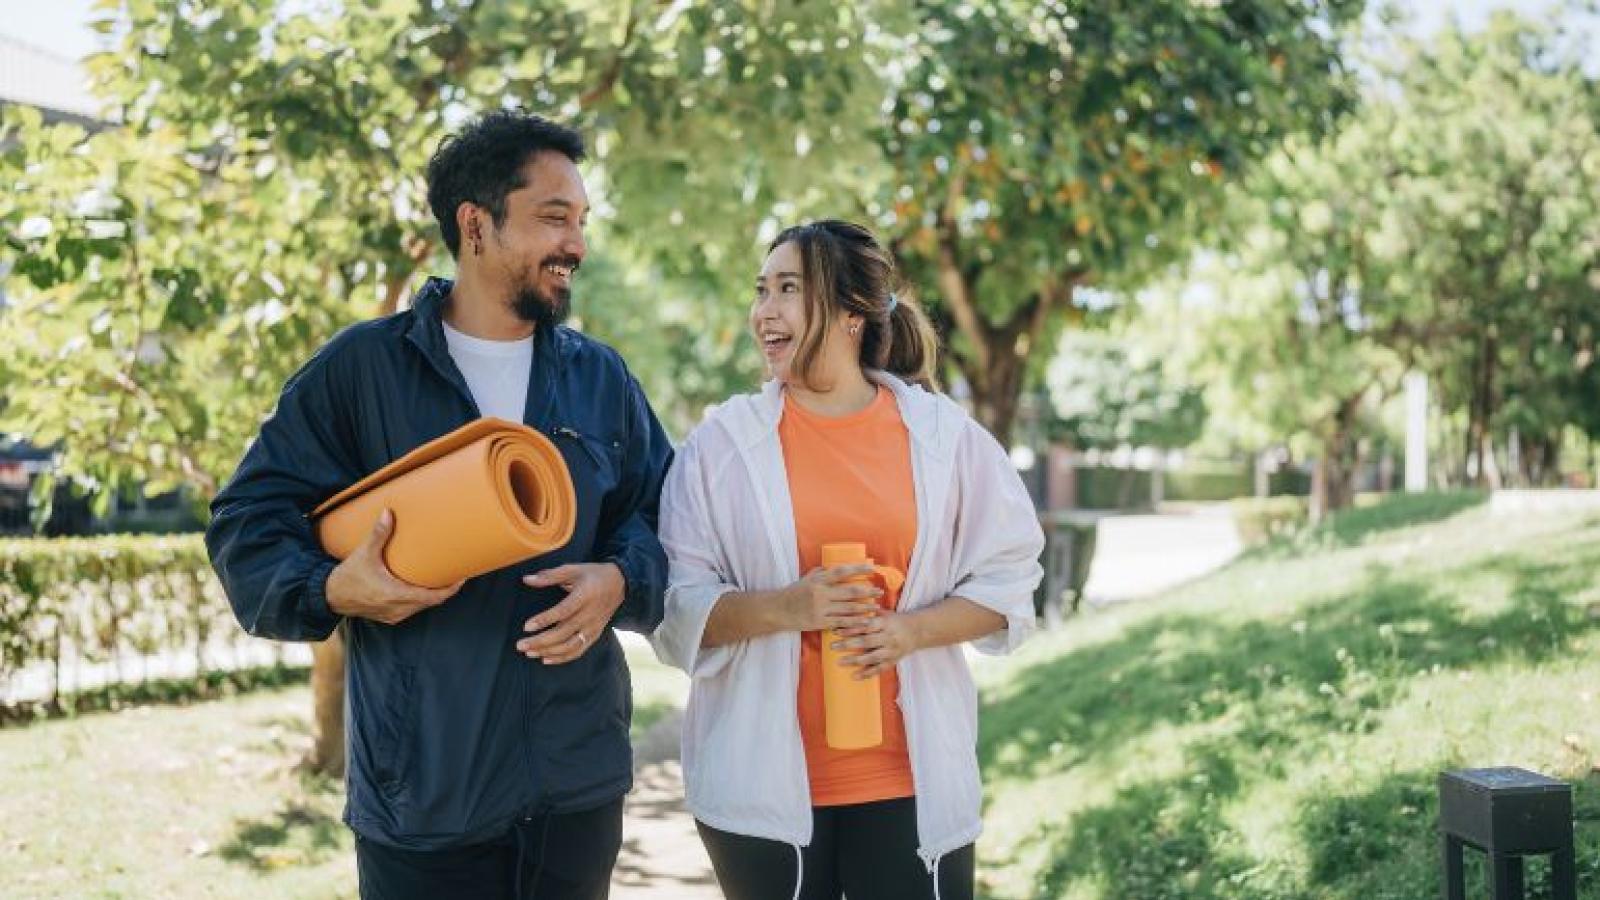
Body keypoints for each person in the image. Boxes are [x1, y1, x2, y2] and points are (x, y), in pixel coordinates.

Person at [205, 111, 672, 900]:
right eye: (554, 218)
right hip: (421, 795)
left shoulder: (601, 379)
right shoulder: (361, 370)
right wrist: (329, 589)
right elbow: (246, 523)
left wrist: (621, 579)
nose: (577, 245)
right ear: (476, 224)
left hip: (574, 789)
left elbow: (660, 513)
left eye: (582, 221)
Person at [651, 219, 1044, 899]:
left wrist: (909, 631)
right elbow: (674, 607)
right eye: (762, 290)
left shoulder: (946, 440)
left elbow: (1010, 582)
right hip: (761, 790)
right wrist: (788, 607)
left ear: (852, 315)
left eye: (788, 290)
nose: (764, 311)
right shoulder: (719, 447)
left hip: (912, 783)